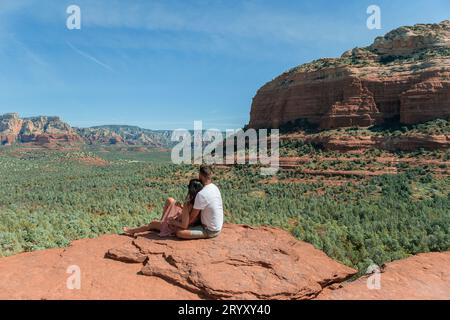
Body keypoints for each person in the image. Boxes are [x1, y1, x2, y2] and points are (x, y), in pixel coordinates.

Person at [123, 179, 204, 237]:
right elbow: (189, 215)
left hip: (175, 226)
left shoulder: (188, 204)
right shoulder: (199, 202)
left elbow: (184, 226)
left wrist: (172, 221)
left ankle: (131, 231)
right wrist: (181, 207)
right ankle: (161, 221)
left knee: (151, 224)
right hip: (185, 221)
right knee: (170, 200)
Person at [176, 165, 224, 240]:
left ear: (201, 175)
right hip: (217, 226)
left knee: (180, 232)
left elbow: (192, 217)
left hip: (210, 230)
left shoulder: (202, 194)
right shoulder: (214, 187)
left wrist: (178, 223)